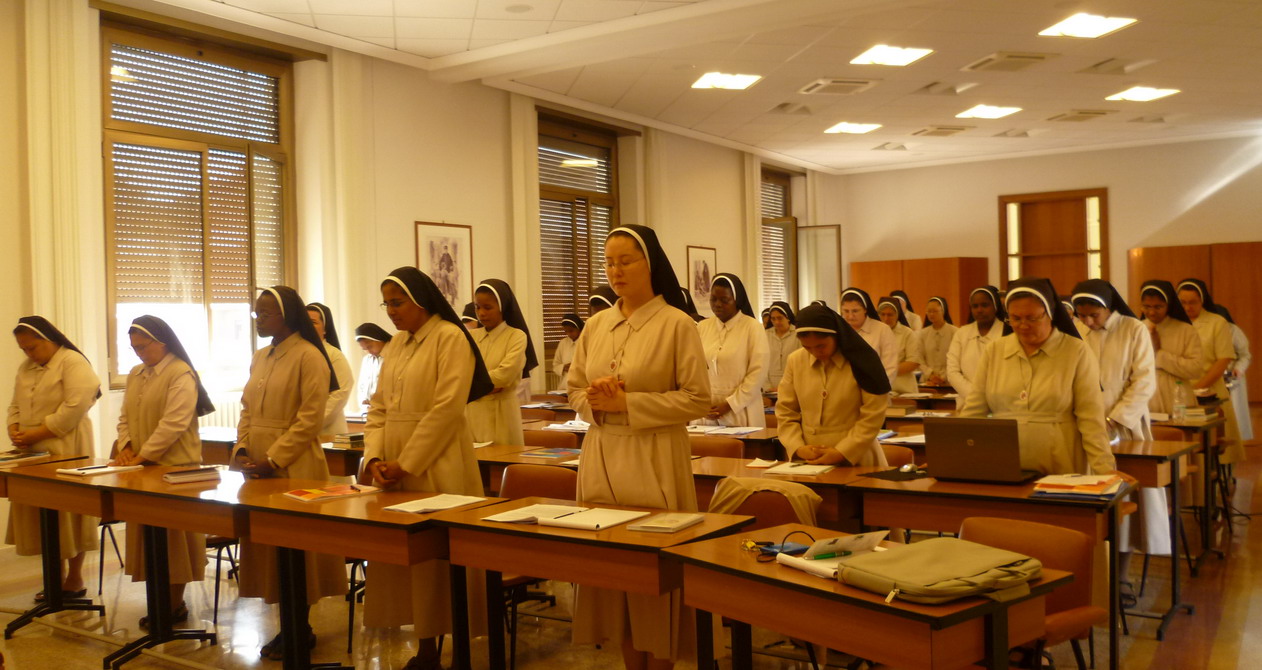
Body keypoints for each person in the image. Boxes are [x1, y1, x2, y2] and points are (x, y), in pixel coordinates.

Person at [568, 224, 709, 668]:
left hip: (655, 455)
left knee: (653, 574)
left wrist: (628, 402)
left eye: (626, 261)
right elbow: (572, 389)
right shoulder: (596, 325)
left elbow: (697, 399)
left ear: (650, 264)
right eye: (609, 262)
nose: (616, 271)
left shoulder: (677, 324)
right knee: (616, 577)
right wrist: (595, 400)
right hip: (602, 453)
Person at [361, 266, 494, 670]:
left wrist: (407, 463)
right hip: (393, 462)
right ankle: (426, 649)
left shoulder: (450, 337)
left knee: (440, 560)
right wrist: (374, 458)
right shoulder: (396, 345)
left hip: (440, 459)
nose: (391, 311)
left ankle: (456, 652)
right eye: (386, 304)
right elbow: (378, 407)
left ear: (420, 300)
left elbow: (447, 409)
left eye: (397, 302)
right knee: (410, 561)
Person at [234, 286, 346, 659]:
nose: (259, 319)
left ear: (286, 315)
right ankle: (287, 626)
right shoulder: (260, 356)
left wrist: (274, 458)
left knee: (299, 549)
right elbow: (247, 409)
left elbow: (310, 419)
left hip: (297, 464)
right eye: (257, 313)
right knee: (271, 550)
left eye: (265, 314)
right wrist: (243, 449)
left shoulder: (309, 355)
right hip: (259, 463)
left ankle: (301, 627)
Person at [960, 278, 1125, 477]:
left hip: (1060, 463)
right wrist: (955, 457)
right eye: (1015, 318)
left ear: (1050, 314)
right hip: (1004, 463)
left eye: (1032, 318)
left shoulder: (1076, 352)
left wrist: (1106, 471)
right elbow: (973, 412)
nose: (1023, 325)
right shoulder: (994, 351)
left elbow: (1091, 419)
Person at [113, 315, 215, 627]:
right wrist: (126, 446)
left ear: (162, 342)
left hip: (177, 467)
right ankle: (158, 602)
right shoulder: (136, 373)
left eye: (143, 346)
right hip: (143, 467)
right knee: (150, 538)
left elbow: (174, 422)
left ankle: (174, 604)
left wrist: (142, 455)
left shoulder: (180, 372)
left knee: (175, 541)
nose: (139, 353)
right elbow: (125, 417)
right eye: (134, 348)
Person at [7, 316, 100, 601]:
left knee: (70, 511)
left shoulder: (73, 362)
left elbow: (75, 406)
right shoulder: (26, 368)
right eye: (23, 349)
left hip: (68, 445)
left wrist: (37, 432)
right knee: (44, 512)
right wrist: (14, 428)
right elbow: (14, 404)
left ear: (48, 340)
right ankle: (53, 578)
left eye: (32, 347)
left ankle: (75, 577)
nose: (28, 354)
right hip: (32, 450)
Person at [776, 304, 891, 466]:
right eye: (807, 347)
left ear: (836, 335)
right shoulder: (795, 361)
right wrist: (798, 447)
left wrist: (842, 452)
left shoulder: (862, 360)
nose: (815, 352)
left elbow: (873, 415)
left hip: (857, 455)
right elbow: (785, 412)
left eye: (821, 346)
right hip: (809, 458)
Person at [1070, 280, 1156, 441]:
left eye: (1094, 315)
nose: (1088, 322)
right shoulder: (1077, 330)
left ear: (1107, 308)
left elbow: (1145, 381)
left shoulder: (1133, 328)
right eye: (1082, 315)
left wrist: (1115, 419)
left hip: (1126, 421)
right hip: (1087, 420)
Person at [1177, 279, 1243, 464]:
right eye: (1183, 302)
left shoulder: (1217, 322)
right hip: (1178, 391)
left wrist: (1198, 388)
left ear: (1202, 301)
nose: (1187, 307)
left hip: (1210, 390)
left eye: (1193, 302)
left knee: (1211, 448)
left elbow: (1223, 359)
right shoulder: (1173, 323)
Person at [467, 279, 535, 446]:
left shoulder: (516, 336)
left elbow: (505, 375)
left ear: (502, 307)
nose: (481, 313)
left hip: (502, 413)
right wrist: (487, 386)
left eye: (487, 307)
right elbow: (458, 371)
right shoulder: (472, 336)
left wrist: (472, 383)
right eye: (477, 307)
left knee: (502, 457)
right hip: (472, 413)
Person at [696, 273, 768, 427]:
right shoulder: (702, 327)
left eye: (724, 300)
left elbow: (757, 374)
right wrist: (700, 402)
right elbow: (694, 369)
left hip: (742, 408)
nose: (718, 304)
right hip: (707, 409)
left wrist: (729, 404)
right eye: (713, 299)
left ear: (736, 300)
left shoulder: (753, 328)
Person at [1138, 281, 1202, 416]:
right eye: (1147, 306)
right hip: (1145, 398)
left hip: (1178, 398)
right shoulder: (1136, 329)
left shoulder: (1186, 330)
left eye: (1158, 307)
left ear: (1168, 305)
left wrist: (1159, 354)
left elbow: (1195, 369)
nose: (1152, 312)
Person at [947, 286, 1010, 409]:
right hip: (967, 403)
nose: (979, 310)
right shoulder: (961, 333)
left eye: (985, 305)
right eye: (975, 306)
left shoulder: (1008, 332)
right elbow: (952, 372)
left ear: (995, 306)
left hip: (1000, 404)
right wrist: (975, 397)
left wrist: (990, 398)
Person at [306, 302, 353, 435]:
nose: (308, 326)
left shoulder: (334, 355)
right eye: (305, 322)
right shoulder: (297, 354)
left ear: (325, 329)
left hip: (327, 430)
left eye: (313, 322)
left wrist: (310, 424)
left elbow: (340, 393)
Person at [839, 287, 897, 385]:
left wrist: (878, 388)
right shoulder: (838, 330)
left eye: (855, 311)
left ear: (865, 309)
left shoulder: (882, 330)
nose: (850, 316)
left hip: (875, 388)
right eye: (846, 311)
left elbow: (890, 367)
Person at [877, 296, 923, 394]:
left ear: (897, 315)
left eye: (890, 315)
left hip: (903, 390)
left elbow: (913, 362)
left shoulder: (907, 333)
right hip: (879, 389)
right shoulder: (873, 333)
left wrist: (885, 371)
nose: (886, 318)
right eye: (883, 314)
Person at [917, 296, 957, 386]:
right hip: (928, 381)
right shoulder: (923, 334)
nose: (931, 314)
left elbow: (956, 359)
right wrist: (930, 375)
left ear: (943, 311)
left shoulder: (955, 332)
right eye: (929, 311)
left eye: (935, 311)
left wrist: (943, 377)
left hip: (950, 381)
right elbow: (919, 359)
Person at [353, 322, 391, 415]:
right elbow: (361, 386)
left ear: (379, 339)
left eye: (369, 347)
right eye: (365, 349)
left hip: (387, 410)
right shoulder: (367, 359)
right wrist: (363, 403)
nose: (369, 351)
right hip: (369, 411)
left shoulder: (393, 355)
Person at [764, 301, 800, 391]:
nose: (776, 322)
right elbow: (761, 363)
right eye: (773, 319)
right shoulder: (765, 335)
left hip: (793, 385)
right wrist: (767, 387)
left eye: (780, 318)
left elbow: (801, 364)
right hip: (769, 388)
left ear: (788, 318)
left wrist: (787, 387)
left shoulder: (798, 335)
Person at [552, 313, 583, 391]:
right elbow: (555, 365)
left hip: (582, 386)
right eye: (566, 331)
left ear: (579, 329)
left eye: (571, 331)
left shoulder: (586, 342)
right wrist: (564, 367)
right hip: (564, 386)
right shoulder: (563, 343)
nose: (568, 334)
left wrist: (576, 367)